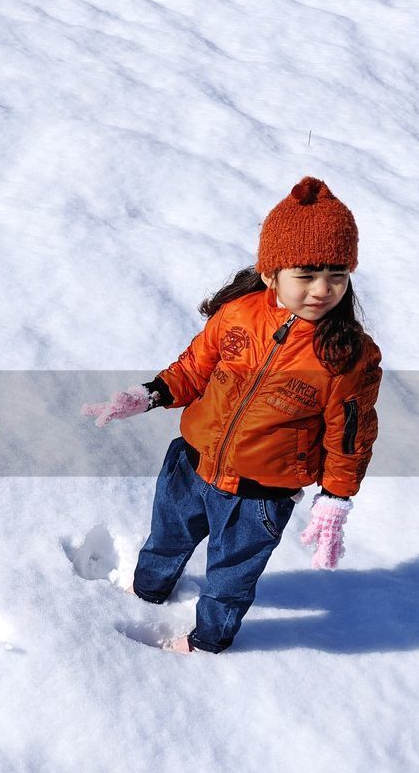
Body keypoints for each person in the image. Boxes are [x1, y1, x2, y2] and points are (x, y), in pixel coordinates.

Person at [82, 177, 382, 655]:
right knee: (165, 539)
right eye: (305, 275)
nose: (323, 289)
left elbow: (349, 439)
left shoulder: (346, 356)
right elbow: (194, 369)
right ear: (271, 273)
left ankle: (207, 642)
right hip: (192, 464)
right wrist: (149, 395)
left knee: (229, 579)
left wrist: (335, 500)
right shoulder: (239, 315)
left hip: (258, 498)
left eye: (337, 274)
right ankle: (147, 593)